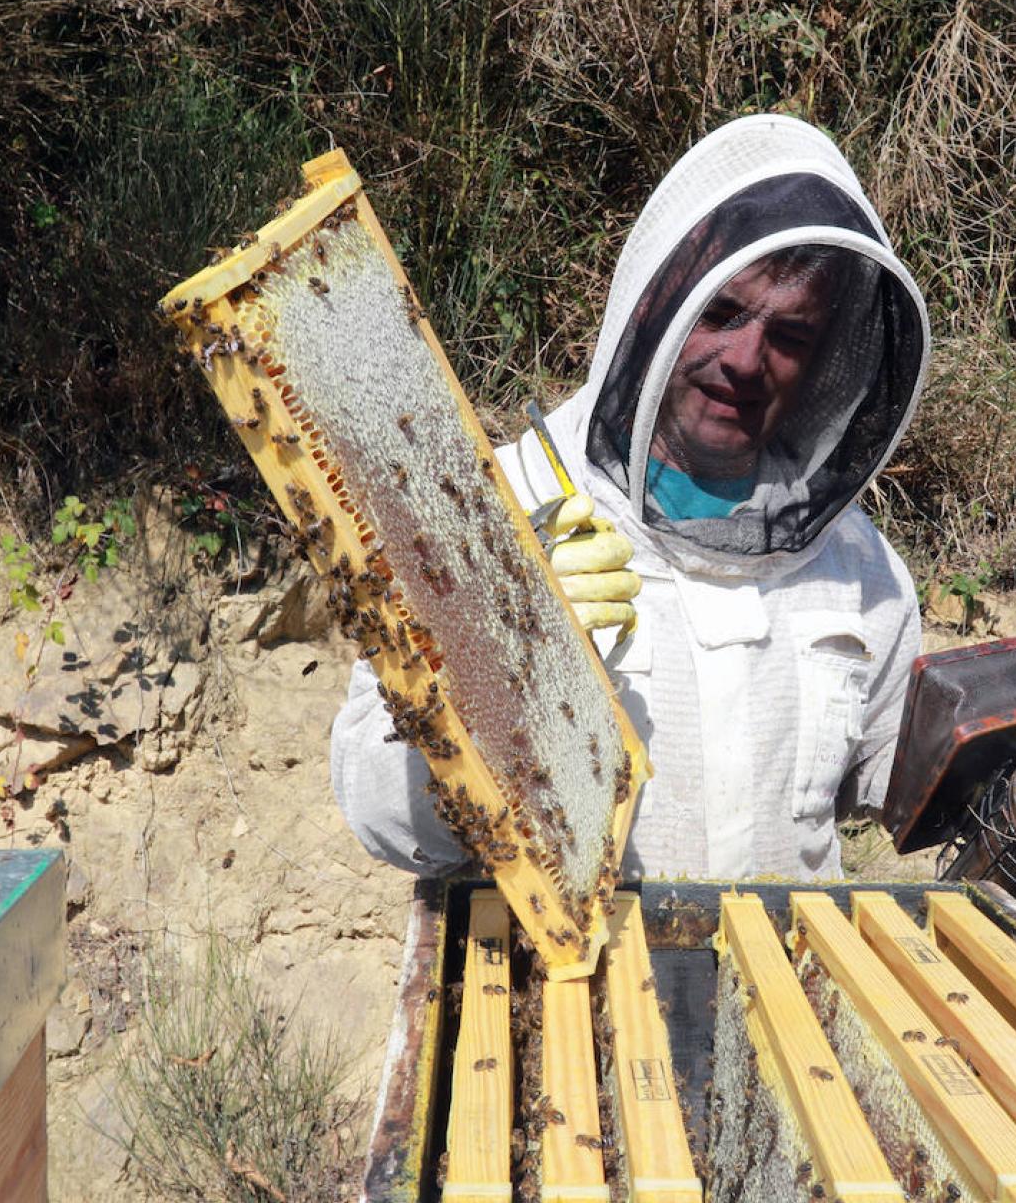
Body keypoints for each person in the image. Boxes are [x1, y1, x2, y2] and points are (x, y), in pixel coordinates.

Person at [332, 114, 931, 879]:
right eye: (721, 312)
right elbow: (383, 819)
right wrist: (489, 664)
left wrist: (1014, 769)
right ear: (654, 302)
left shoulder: (859, 570)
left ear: (824, 364)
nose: (746, 360)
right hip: (560, 992)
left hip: (778, 988)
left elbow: (896, 787)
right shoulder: (493, 508)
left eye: (789, 337)